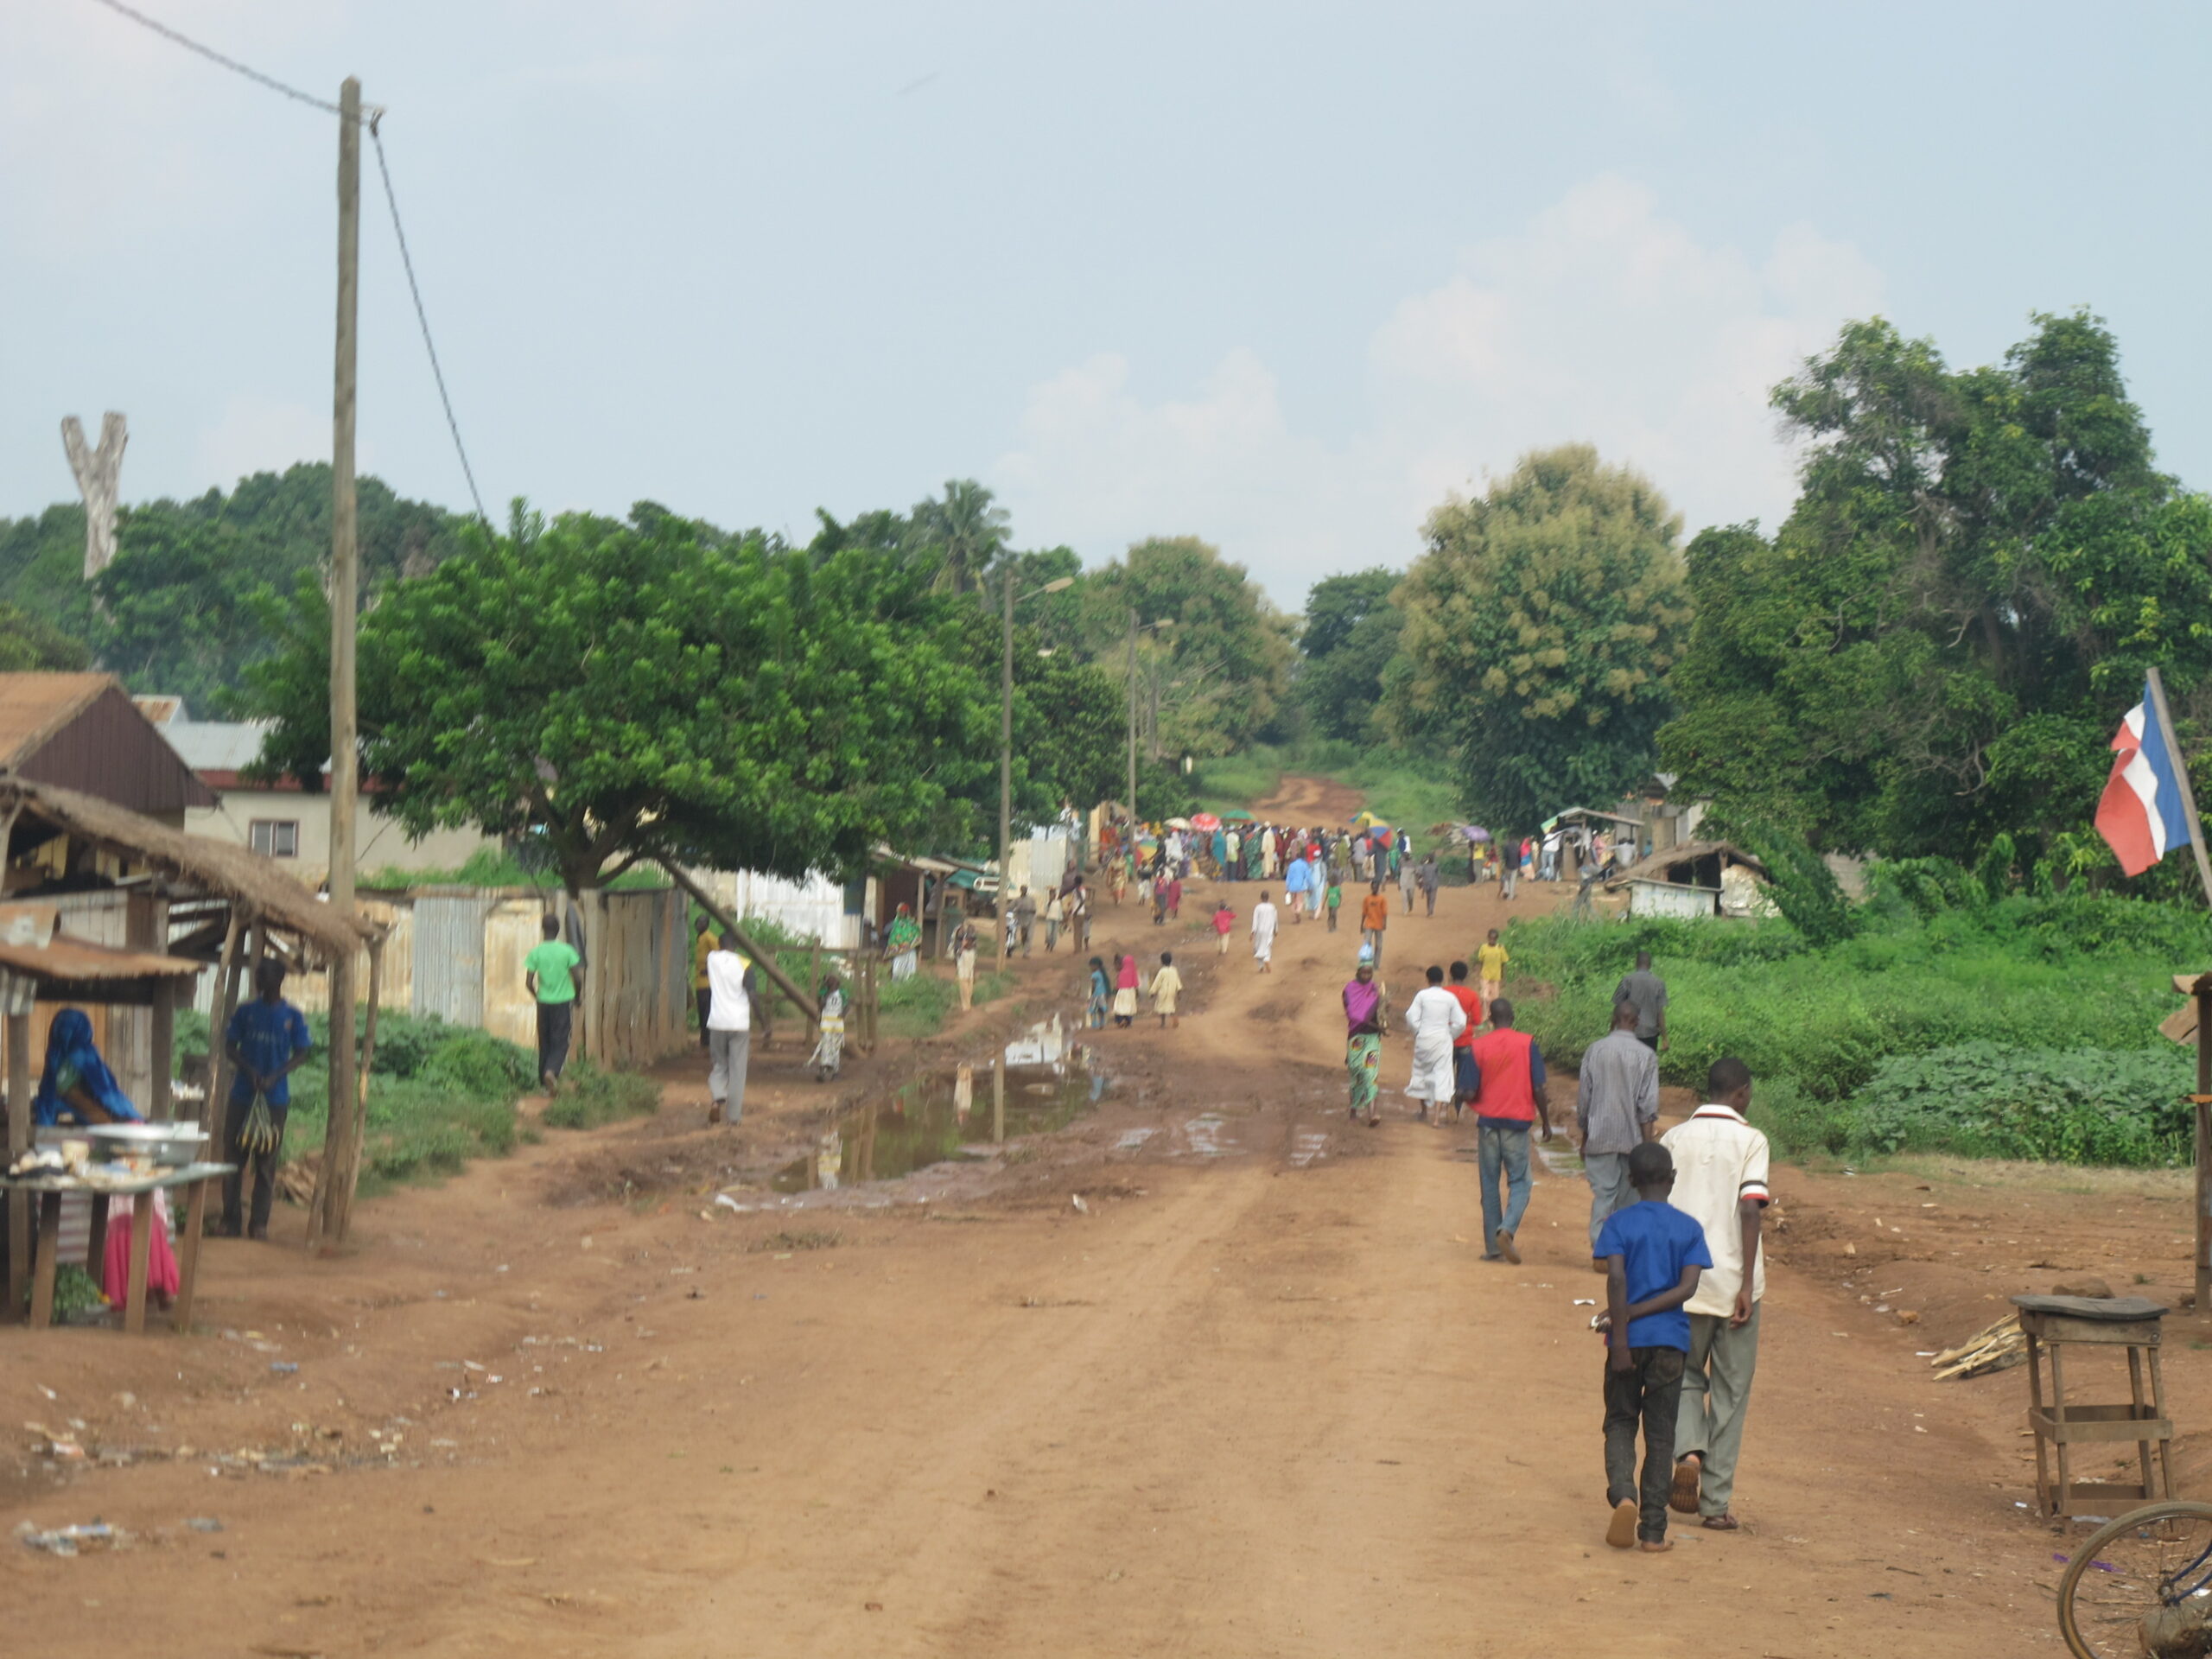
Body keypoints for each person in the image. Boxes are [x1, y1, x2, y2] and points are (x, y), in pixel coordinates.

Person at [1663, 1057, 1771, 1534]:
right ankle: (1715, 1503)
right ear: (1743, 1093)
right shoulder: (1752, 1140)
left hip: (1679, 1282)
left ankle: (1687, 1448)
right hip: (1732, 1283)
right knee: (1730, 1392)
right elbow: (1751, 1208)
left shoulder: (1673, 1139)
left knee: (1684, 1376)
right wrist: (1746, 1283)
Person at [1596, 1141, 1712, 1554]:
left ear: (1631, 1181)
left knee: (1620, 1423)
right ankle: (1652, 1533)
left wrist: (1623, 1325)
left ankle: (1625, 1496)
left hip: (1626, 1343)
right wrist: (1641, 1311)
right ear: (1673, 1179)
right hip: (1670, 1343)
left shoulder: (1618, 1224)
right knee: (1661, 1437)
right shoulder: (1689, 1228)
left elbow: (1615, 1281)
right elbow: (1688, 1287)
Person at [221, 961, 315, 1241]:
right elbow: (229, 1047)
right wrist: (249, 1071)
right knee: (233, 1161)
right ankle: (230, 1221)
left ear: (279, 979)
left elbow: (302, 1053)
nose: (258, 980)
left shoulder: (292, 1017)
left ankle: (259, 1223)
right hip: (242, 1095)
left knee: (266, 1163)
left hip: (274, 1100)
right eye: (258, 975)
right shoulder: (245, 1012)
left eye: (263, 975)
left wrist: (276, 1075)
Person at [1465, 997, 1552, 1264]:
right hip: (1517, 1124)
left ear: (1490, 1019)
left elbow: (1467, 1090)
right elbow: (1538, 1088)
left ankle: (1493, 1247)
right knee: (1521, 1182)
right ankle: (1508, 1228)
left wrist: (1471, 1100)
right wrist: (1546, 1121)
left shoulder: (1477, 1046)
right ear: (1513, 1017)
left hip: (1488, 1123)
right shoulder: (1527, 1043)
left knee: (1489, 1184)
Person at [1578, 1000, 1662, 1251]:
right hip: (1632, 1140)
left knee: (1604, 1195)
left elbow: (1585, 1099)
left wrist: (1584, 1138)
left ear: (1614, 1020)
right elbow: (1647, 1107)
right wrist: (1647, 1149)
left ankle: (1601, 1247)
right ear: (1636, 1022)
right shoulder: (1647, 1056)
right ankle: (1622, 1249)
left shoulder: (1595, 1050)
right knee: (1629, 1199)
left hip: (1600, 1136)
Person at [32, 1008, 142, 1126]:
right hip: (89, 1107)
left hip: (88, 1106)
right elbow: (103, 1091)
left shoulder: (59, 1055)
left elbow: (104, 1089)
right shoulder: (75, 1054)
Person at [704, 930, 767, 1125]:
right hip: (739, 1024)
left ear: (719, 944)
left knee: (719, 1065)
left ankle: (717, 1098)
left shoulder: (711, 958)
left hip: (716, 1022)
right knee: (738, 1070)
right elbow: (753, 996)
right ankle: (733, 1117)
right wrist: (764, 1024)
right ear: (737, 946)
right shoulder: (745, 964)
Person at [524, 913, 584, 1092]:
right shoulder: (567, 951)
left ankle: (544, 1086)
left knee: (545, 1041)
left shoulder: (536, 952)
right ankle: (551, 1071)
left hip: (543, 1003)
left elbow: (528, 983)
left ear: (543, 930)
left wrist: (538, 997)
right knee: (560, 1042)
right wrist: (577, 996)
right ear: (558, 930)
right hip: (562, 1003)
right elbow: (578, 979)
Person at [1402, 965, 1468, 1123]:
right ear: (1443, 980)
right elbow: (1461, 1022)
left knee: (1421, 1073)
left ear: (1427, 979)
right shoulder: (1450, 997)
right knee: (1442, 1075)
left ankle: (1424, 1112)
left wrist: (1419, 1031)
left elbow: (1411, 1016)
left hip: (1424, 1038)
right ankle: (1437, 1118)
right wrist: (1449, 1034)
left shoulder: (1422, 996)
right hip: (1442, 1039)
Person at [1343, 956, 1384, 1128]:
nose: (1367, 976)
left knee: (1370, 1073)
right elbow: (1352, 1013)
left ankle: (1372, 1113)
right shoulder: (1349, 989)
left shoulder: (1375, 989)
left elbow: (1380, 1010)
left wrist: (1383, 1016)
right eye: (1364, 972)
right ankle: (1353, 1109)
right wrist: (1367, 1020)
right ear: (1358, 972)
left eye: (1370, 973)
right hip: (1356, 1037)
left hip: (1373, 1037)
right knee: (1356, 1072)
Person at [1444, 961, 1484, 1118]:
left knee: (1446, 1072)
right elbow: (1477, 1020)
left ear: (1450, 975)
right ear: (1466, 976)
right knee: (1461, 1075)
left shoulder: (1444, 992)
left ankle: (1445, 1104)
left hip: (1446, 1037)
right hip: (1465, 1039)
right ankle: (1457, 1107)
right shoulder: (1472, 995)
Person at [1614, 951, 1669, 1052]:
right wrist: (1665, 1038)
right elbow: (1660, 1013)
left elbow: (1618, 1008)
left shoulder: (1627, 980)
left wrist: (1611, 1031)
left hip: (1629, 1032)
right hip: (1650, 1034)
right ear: (1650, 964)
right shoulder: (1659, 983)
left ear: (1636, 964)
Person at [807, 973, 845, 1082]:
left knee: (836, 1046)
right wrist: (828, 993)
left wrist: (844, 1014)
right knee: (825, 1045)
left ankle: (835, 1071)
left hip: (837, 1023)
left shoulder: (842, 993)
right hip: (827, 1022)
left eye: (834, 982)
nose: (832, 985)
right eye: (830, 983)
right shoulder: (823, 993)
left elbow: (847, 1004)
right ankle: (823, 1070)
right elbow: (821, 1005)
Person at [690, 914, 715, 1052]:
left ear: (707, 924)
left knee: (706, 1011)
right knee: (702, 1010)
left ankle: (707, 1039)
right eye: (697, 922)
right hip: (700, 982)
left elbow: (719, 953)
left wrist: (710, 969)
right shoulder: (700, 938)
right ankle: (704, 1038)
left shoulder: (709, 938)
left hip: (708, 983)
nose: (698, 925)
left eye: (701, 922)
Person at [885, 903, 922, 980]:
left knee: (909, 970)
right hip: (899, 952)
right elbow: (886, 933)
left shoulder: (912, 924)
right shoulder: (894, 924)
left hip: (910, 951)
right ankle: (898, 988)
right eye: (901, 911)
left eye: (904, 911)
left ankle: (907, 987)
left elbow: (918, 934)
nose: (903, 913)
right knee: (898, 970)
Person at [1359, 881, 1390, 967]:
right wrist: (1361, 925)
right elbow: (1364, 912)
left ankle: (1376, 964)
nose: (1374, 889)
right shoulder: (1367, 899)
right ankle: (1366, 962)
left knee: (1379, 945)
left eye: (1376, 887)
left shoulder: (1382, 899)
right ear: (1371, 888)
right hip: (1369, 924)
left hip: (1379, 924)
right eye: (1373, 887)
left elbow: (1385, 913)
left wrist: (1385, 923)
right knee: (1367, 944)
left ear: (1378, 888)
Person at [1150, 951, 1184, 1029]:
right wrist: (1179, 992)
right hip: (1172, 991)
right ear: (1171, 960)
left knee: (1162, 1007)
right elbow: (1177, 981)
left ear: (1162, 961)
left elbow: (1157, 982)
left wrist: (1152, 992)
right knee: (1171, 1006)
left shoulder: (1162, 971)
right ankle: (1174, 1017)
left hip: (1163, 992)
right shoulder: (1174, 970)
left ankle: (1163, 1023)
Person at [951, 918, 979, 1011]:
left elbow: (957, 947)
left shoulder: (958, 931)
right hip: (971, 955)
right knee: (969, 979)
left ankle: (965, 1005)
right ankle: (968, 1003)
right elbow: (974, 946)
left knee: (963, 980)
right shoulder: (972, 931)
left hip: (963, 955)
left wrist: (961, 949)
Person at [1477, 928, 1509, 1006]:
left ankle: (1491, 1015)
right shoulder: (1483, 948)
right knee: (1485, 997)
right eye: (1490, 938)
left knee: (1495, 998)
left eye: (1494, 939)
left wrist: (1502, 974)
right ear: (1488, 938)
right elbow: (1481, 961)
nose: (1492, 940)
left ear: (1496, 939)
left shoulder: (1500, 948)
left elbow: (1503, 962)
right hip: (1485, 975)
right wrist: (1480, 972)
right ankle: (1484, 1015)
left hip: (1496, 976)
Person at [1250, 891, 1279, 974]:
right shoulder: (1272, 907)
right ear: (1268, 898)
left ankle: (1260, 966)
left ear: (1261, 898)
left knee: (1257, 947)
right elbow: (1275, 919)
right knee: (1267, 946)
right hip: (1269, 930)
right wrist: (1276, 929)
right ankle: (1266, 959)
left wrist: (1252, 932)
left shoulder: (1258, 907)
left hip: (1259, 930)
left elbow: (1255, 920)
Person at [1112, 952, 1141, 1027]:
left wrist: (1115, 991)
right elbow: (1136, 983)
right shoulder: (1133, 972)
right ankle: (1128, 1022)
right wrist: (1137, 993)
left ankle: (1121, 1021)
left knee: (1119, 1007)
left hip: (1122, 992)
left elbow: (1118, 984)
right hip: (1131, 992)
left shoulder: (1121, 973)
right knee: (1129, 1007)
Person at [1283, 850, 1311, 925]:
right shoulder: (1304, 865)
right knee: (1300, 901)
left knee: (1292, 901)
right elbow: (1308, 876)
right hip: (1301, 886)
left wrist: (1287, 888)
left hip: (1292, 886)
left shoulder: (1292, 865)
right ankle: (1298, 911)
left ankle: (1295, 913)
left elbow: (1288, 877)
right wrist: (1309, 886)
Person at [1085, 956, 1112, 1029]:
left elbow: (1093, 986)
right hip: (1103, 994)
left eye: (1091, 966)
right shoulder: (1102, 973)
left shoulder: (1094, 975)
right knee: (1101, 1010)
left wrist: (1091, 996)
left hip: (1096, 994)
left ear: (1096, 966)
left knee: (1093, 1009)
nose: (1090, 968)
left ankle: (1094, 1024)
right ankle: (1102, 1023)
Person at [1013, 887, 1038, 957]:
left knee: (1029, 936)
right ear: (1020, 890)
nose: (1024, 891)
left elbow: (1034, 910)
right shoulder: (1017, 900)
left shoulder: (1031, 899)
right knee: (1023, 936)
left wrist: (1028, 910)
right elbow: (1011, 907)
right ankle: (1024, 948)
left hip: (1030, 920)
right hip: (1022, 920)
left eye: (1025, 889)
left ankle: (1026, 952)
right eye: (1023, 889)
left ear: (1027, 890)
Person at [1418, 853, 1440, 917]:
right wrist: (1421, 881)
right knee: (1428, 898)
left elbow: (1438, 873)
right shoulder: (1425, 866)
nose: (1431, 859)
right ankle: (1429, 910)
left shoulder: (1436, 865)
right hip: (1427, 884)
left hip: (1434, 884)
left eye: (1431, 857)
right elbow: (1421, 874)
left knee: (1432, 898)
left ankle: (1430, 911)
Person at [1044, 888, 1065, 953]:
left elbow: (1060, 911)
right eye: (1051, 894)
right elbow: (1046, 911)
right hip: (1049, 919)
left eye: (1053, 894)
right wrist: (1050, 902)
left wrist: (1062, 920)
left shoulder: (1058, 902)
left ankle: (1052, 946)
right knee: (1048, 932)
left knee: (1054, 934)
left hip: (1056, 919)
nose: (1052, 895)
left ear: (1055, 894)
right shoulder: (1047, 902)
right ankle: (1048, 943)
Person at [1399, 847, 1418, 913]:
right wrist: (1399, 883)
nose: (1405, 857)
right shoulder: (1401, 861)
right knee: (1404, 897)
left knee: (1410, 896)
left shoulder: (1413, 861)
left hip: (1411, 881)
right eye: (1404, 856)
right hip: (1403, 881)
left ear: (1409, 856)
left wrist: (1418, 881)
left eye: (1406, 856)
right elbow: (1399, 872)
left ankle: (1410, 905)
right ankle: (1405, 910)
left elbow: (1416, 872)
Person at [1325, 867, 1344, 932]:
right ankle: (1331, 926)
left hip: (1335, 904)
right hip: (1330, 904)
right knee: (1330, 915)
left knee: (1333, 915)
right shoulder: (1329, 889)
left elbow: (1340, 896)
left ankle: (1333, 926)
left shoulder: (1337, 889)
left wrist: (1339, 903)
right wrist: (1323, 904)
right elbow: (1326, 896)